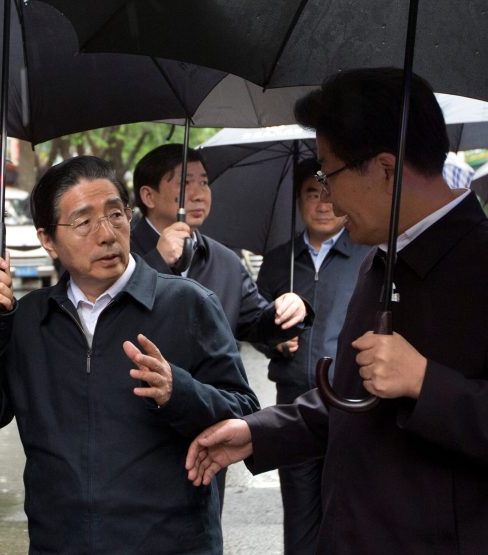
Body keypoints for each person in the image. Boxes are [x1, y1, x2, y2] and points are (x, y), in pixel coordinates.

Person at [186, 67, 488, 554]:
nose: (326, 196)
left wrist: (425, 382)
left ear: (386, 169)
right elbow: (349, 401)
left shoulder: (478, 263)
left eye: (329, 174)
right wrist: (257, 433)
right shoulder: (378, 261)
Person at [0, 155, 259, 553]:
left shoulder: (188, 304)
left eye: (115, 215)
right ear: (48, 239)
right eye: (83, 222)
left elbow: (244, 413)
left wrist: (178, 391)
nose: (107, 234)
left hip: (171, 544)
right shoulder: (28, 320)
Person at [130, 144, 312, 506]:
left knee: (202, 522)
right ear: (148, 196)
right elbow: (108, 315)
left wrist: (291, 310)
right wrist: (156, 262)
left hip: (206, 421)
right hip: (138, 424)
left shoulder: (225, 261)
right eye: (185, 183)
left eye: (204, 182)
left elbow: (256, 323)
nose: (199, 193)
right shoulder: (122, 253)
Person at [253, 157, 371, 554]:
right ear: (298, 201)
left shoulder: (369, 256)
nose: (321, 204)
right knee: (300, 520)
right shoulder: (279, 260)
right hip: (292, 404)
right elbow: (255, 323)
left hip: (348, 405)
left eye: (327, 192)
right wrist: (274, 343)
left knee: (347, 516)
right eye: (310, 194)